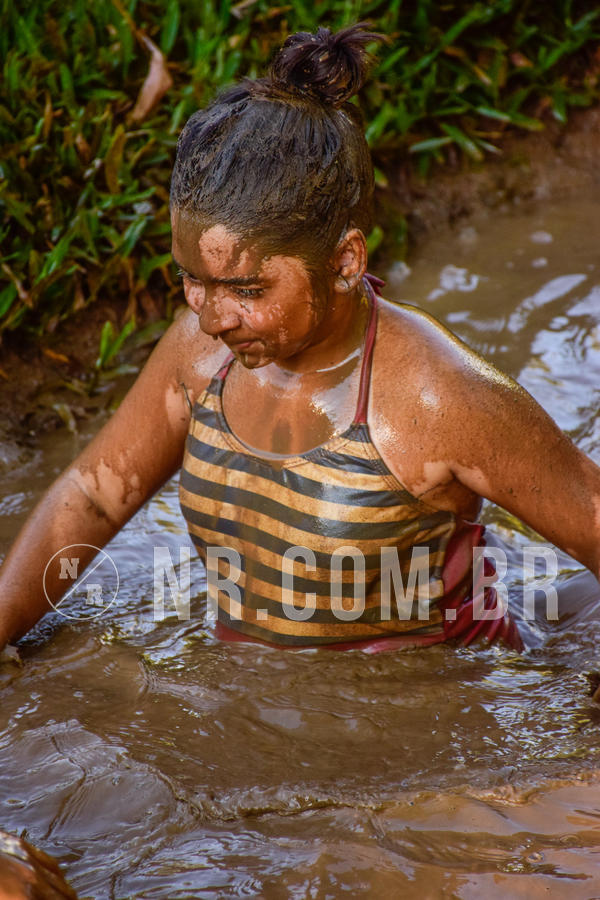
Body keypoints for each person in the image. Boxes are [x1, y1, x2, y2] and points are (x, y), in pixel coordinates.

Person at [0, 23, 599, 656]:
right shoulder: (199, 357)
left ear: (344, 262)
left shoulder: (439, 399)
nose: (211, 318)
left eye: (248, 291)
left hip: (437, 712)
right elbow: (93, 497)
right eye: (190, 280)